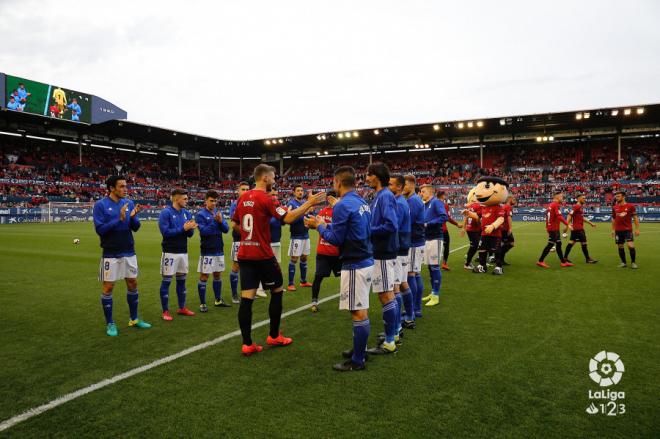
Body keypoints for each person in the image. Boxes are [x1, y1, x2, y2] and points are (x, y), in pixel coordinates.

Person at [232, 164, 325, 356]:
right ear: (265, 178)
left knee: (246, 299)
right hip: (263, 255)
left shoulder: (243, 198)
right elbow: (289, 217)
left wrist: (250, 236)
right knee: (277, 290)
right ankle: (274, 336)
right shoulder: (265, 198)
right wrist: (309, 204)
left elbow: (234, 223)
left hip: (245, 254)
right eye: (273, 177)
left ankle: (247, 343)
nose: (275, 180)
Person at [305, 166, 373, 372]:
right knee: (362, 309)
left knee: (357, 312)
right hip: (366, 259)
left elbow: (335, 239)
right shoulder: (361, 200)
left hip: (355, 263)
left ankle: (358, 360)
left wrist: (318, 226)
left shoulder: (343, 205)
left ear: (337, 183)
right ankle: (359, 350)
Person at [93, 175, 150, 336]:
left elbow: (136, 227)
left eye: (126, 186)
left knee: (132, 283)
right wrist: (119, 219)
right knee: (108, 287)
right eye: (122, 186)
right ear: (112, 188)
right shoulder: (100, 205)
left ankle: (134, 319)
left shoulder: (129, 203)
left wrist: (132, 218)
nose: (126, 189)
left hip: (129, 250)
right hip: (111, 253)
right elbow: (100, 230)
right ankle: (110, 323)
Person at [364, 162, 399, 355]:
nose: (366, 178)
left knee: (386, 295)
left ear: (377, 176)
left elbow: (391, 225)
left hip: (384, 253)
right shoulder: (378, 196)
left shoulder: (385, 196)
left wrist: (368, 230)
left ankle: (390, 341)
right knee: (386, 294)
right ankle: (392, 334)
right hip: (380, 251)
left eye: (369, 174)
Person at [158, 188, 198, 320]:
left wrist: (190, 228)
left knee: (182, 281)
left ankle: (182, 308)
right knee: (167, 282)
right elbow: (166, 233)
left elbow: (190, 235)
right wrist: (183, 228)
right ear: (176, 198)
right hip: (170, 252)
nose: (187, 201)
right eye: (185, 198)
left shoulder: (186, 213)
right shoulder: (166, 213)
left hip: (183, 252)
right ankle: (165, 311)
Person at [195, 190, 230, 312]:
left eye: (215, 201)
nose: (214, 203)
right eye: (211, 200)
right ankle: (202, 304)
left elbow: (226, 230)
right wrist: (215, 222)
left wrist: (220, 222)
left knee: (217, 274)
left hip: (219, 249)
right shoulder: (200, 215)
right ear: (205, 201)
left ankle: (218, 300)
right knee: (204, 276)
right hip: (207, 250)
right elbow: (204, 232)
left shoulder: (218, 213)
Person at [389, 175, 415, 331]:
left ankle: (397, 325)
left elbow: (393, 227)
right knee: (403, 283)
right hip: (404, 248)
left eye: (390, 184)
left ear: (399, 187)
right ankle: (410, 317)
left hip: (398, 249)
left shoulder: (399, 203)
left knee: (395, 287)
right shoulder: (401, 202)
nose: (387, 186)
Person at [309, 191, 341, 312]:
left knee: (345, 277)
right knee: (318, 277)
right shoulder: (322, 212)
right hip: (323, 252)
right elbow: (315, 225)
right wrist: (311, 224)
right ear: (328, 199)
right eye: (333, 197)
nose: (335, 200)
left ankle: (348, 298)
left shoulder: (340, 212)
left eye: (337, 197)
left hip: (337, 252)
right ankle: (314, 302)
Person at [420, 184, 447, 306]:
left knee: (434, 266)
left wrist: (428, 224)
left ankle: (436, 295)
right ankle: (432, 292)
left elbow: (443, 217)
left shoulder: (436, 202)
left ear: (430, 192)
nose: (421, 193)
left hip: (435, 238)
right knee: (430, 267)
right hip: (427, 238)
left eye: (423, 191)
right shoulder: (424, 204)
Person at [403, 175, 426, 318]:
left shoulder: (413, 201)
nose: (401, 187)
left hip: (413, 242)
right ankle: (416, 309)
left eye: (404, 184)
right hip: (417, 242)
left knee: (411, 274)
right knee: (415, 274)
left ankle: (413, 310)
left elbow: (407, 222)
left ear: (411, 185)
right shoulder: (413, 200)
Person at [256, 187, 284, 298]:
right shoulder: (265, 207)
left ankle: (276, 285)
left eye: (276, 194)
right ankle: (259, 288)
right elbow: (269, 221)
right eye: (272, 194)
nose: (275, 197)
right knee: (263, 266)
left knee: (276, 265)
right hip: (266, 242)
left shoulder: (277, 207)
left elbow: (282, 222)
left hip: (277, 241)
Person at [537, 191, 573, 269]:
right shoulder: (555, 205)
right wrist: (568, 224)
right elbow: (559, 217)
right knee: (550, 244)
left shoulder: (551, 205)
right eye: (561, 196)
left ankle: (563, 262)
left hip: (553, 228)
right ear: (557, 197)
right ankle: (540, 261)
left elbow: (547, 217)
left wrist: (547, 227)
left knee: (559, 244)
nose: (562, 198)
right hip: (553, 229)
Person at [287, 185, 313, 291]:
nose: (300, 192)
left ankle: (303, 281)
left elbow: (308, 216)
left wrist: (310, 213)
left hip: (305, 235)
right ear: (294, 192)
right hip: (296, 236)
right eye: (298, 191)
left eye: (302, 191)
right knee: (294, 259)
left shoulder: (304, 204)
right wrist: (305, 211)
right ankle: (290, 283)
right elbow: (289, 216)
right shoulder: (291, 203)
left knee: (304, 258)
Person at [229, 181, 250, 303]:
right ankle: (234, 294)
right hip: (238, 240)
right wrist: (245, 233)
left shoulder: (252, 203)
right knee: (236, 266)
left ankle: (246, 292)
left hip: (249, 240)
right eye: (243, 189)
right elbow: (234, 224)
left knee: (248, 267)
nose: (245, 191)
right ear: (238, 191)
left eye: (247, 189)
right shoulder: (235, 205)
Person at [563, 194, 598, 264]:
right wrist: (566, 225)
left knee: (572, 243)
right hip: (578, 229)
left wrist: (590, 223)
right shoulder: (577, 206)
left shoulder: (580, 207)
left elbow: (581, 218)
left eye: (585, 198)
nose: (585, 199)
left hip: (577, 228)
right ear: (579, 199)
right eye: (583, 198)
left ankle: (565, 258)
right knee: (583, 243)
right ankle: (588, 259)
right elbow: (570, 215)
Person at [611, 191, 640, 268]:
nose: (617, 198)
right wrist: (613, 230)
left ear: (623, 197)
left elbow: (635, 218)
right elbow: (613, 219)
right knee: (620, 246)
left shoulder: (630, 206)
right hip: (618, 230)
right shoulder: (614, 207)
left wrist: (637, 229)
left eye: (618, 196)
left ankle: (633, 262)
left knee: (630, 246)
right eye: (616, 197)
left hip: (628, 230)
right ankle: (623, 263)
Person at [436, 191, 462, 270]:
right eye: (445, 195)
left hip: (433, 230)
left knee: (435, 247)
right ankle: (444, 263)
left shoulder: (432, 204)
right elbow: (448, 218)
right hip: (443, 230)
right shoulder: (445, 205)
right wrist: (457, 224)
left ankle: (433, 264)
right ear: (443, 196)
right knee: (446, 246)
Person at [461, 188, 481, 270]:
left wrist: (463, 228)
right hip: (473, 229)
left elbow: (466, 216)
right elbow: (477, 218)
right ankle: (467, 263)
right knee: (474, 246)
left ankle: (470, 261)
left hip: (471, 229)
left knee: (476, 245)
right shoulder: (478, 206)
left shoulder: (471, 205)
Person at [500, 195, 516, 265]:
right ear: (509, 199)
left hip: (502, 228)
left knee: (506, 244)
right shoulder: (508, 207)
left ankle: (500, 258)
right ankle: (499, 257)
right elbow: (509, 217)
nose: (515, 201)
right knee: (510, 243)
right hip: (505, 229)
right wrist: (510, 228)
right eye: (514, 199)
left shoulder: (503, 206)